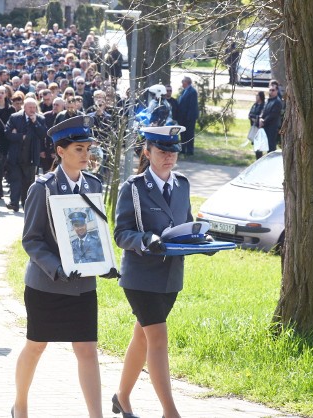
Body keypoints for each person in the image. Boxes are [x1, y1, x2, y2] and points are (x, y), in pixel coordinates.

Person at [12, 115, 112, 418]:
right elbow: (31, 240)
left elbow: (96, 235)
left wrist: (105, 263)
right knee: (36, 346)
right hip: (46, 284)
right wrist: (57, 268)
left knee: (87, 350)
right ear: (60, 151)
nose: (86, 155)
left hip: (83, 286)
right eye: (79, 149)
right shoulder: (42, 188)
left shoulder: (94, 184)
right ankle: (21, 406)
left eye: (88, 149)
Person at [113, 125, 193, 418]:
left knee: (143, 337)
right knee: (157, 337)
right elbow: (121, 233)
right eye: (162, 151)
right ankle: (170, 411)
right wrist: (145, 240)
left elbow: (187, 224)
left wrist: (202, 240)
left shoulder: (182, 184)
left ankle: (121, 397)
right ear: (147, 152)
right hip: (141, 276)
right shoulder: (133, 188)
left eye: (173, 151)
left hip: (171, 277)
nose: (169, 156)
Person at [4, 97, 48, 212]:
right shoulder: (15, 117)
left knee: (28, 183)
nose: (32, 110)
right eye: (30, 107)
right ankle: (14, 203)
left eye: (34, 107)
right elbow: (7, 133)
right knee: (15, 180)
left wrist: (35, 123)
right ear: (24, 107)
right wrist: (21, 136)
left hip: (31, 157)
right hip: (16, 156)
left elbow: (43, 134)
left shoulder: (40, 119)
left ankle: (26, 204)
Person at [259, 83, 282, 155]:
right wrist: (260, 118)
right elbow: (263, 110)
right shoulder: (268, 100)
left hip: (272, 128)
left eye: (273, 90)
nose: (271, 92)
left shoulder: (277, 101)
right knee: (261, 147)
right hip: (265, 127)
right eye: (270, 90)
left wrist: (264, 121)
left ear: (277, 91)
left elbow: (273, 114)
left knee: (271, 147)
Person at [177, 76, 199, 155]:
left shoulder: (192, 92)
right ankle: (183, 149)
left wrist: (189, 117)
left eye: (183, 82)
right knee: (182, 133)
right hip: (182, 117)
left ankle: (189, 150)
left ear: (186, 82)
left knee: (189, 134)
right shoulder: (184, 91)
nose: (182, 83)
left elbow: (192, 106)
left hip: (189, 118)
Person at [248, 91, 265, 159]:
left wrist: (255, 118)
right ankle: (257, 158)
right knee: (255, 146)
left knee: (259, 147)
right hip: (254, 127)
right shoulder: (255, 105)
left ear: (260, 97)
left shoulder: (263, 105)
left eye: (257, 95)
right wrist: (252, 117)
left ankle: (259, 159)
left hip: (259, 128)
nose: (256, 97)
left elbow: (261, 115)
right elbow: (250, 113)